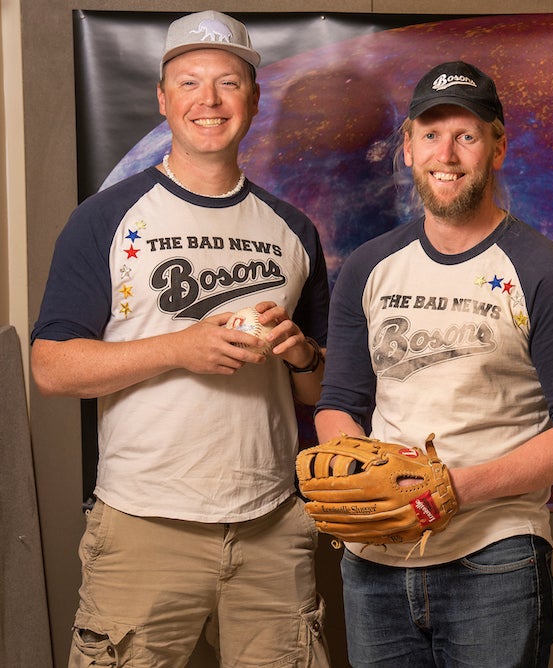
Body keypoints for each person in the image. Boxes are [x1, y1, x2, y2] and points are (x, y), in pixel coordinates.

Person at [30, 11, 331, 667]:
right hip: (144, 527)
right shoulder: (106, 218)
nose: (210, 101)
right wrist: (178, 348)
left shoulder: (292, 230)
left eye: (228, 83)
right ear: (163, 99)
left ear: (253, 99)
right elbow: (50, 369)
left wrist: (301, 352)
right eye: (190, 82)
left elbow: (317, 388)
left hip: (272, 529)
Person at [314, 60, 553, 667]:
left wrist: (448, 491)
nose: (445, 153)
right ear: (407, 149)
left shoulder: (545, 272)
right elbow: (339, 403)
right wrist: (362, 480)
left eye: (466, 136)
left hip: (494, 560)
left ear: (497, 148)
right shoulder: (370, 268)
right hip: (375, 563)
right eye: (430, 134)